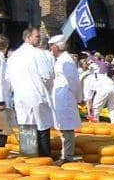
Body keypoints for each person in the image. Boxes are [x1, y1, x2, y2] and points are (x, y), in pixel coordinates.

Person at [6, 27, 54, 157]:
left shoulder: (13, 56)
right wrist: (47, 91)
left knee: (26, 126)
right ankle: (44, 158)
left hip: (20, 97)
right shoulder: (38, 54)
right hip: (37, 95)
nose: (39, 39)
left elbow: (8, 79)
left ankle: (28, 157)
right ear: (28, 37)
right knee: (42, 127)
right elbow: (47, 76)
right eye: (37, 36)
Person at [49, 34, 82, 162]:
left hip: (66, 98)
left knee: (67, 128)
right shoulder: (61, 60)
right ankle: (65, 155)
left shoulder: (67, 61)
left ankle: (67, 156)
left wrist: (78, 97)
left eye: (52, 46)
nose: (51, 49)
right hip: (61, 98)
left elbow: (74, 81)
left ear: (57, 47)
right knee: (63, 127)